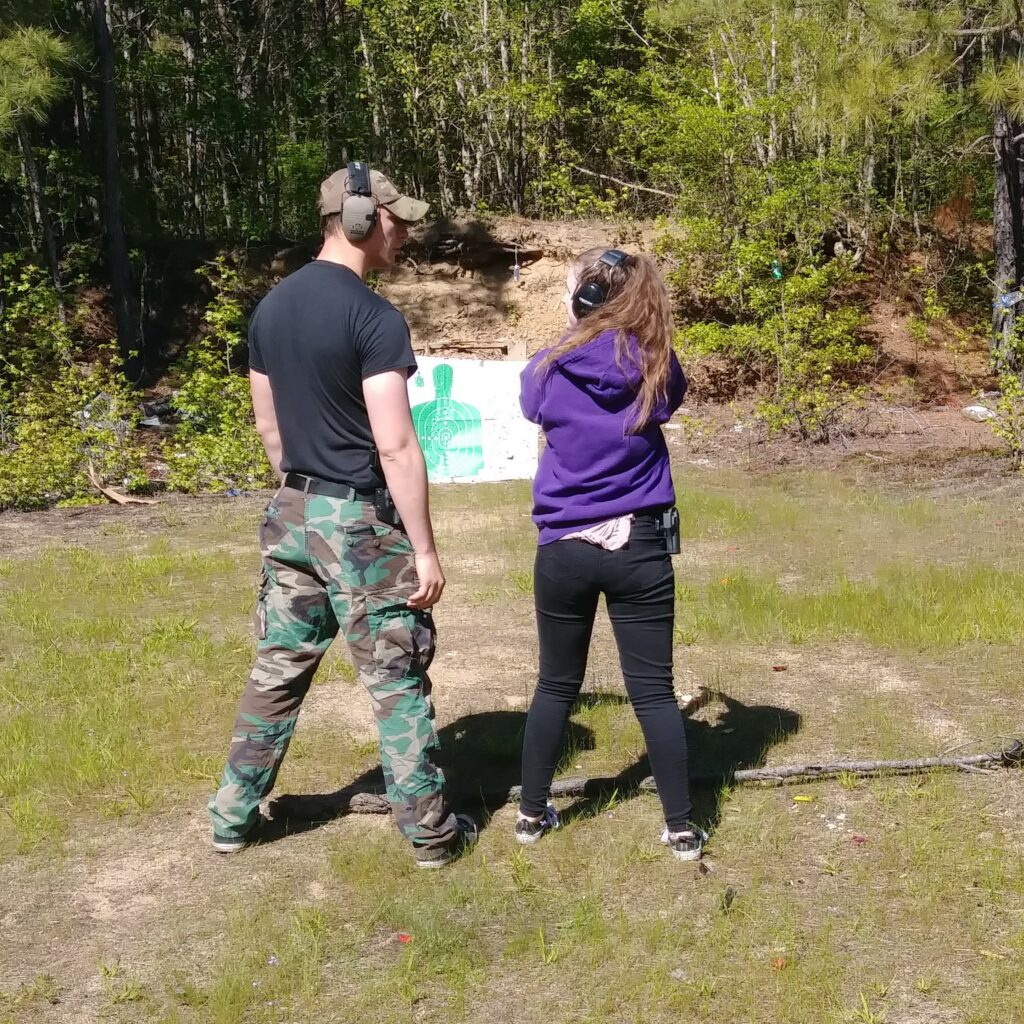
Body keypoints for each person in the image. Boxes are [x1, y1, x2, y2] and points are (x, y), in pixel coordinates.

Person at [207, 163, 476, 868]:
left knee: (278, 668)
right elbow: (394, 442)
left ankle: (231, 818)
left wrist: (302, 499)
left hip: (292, 508)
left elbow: (270, 430)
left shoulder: (269, 309)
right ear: (360, 220)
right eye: (395, 217)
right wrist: (423, 549)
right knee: (396, 678)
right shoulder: (372, 315)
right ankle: (430, 835)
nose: (404, 230)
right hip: (357, 518)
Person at [515, 247, 705, 861]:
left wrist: (576, 328)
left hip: (564, 545)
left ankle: (530, 813)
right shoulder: (657, 365)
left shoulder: (547, 366)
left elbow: (532, 408)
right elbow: (669, 400)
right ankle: (680, 826)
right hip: (640, 544)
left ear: (582, 301)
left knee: (555, 686)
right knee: (653, 691)